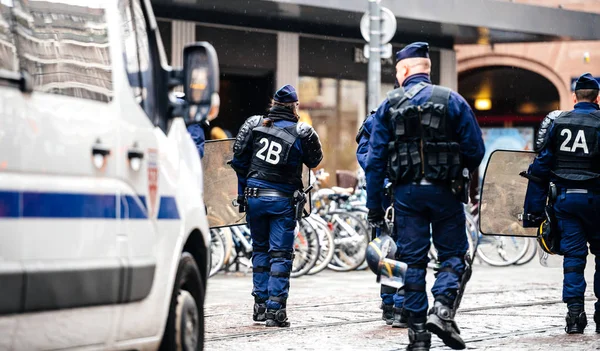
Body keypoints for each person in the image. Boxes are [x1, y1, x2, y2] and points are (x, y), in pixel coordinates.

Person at [365, 42, 485, 351]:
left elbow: (374, 161)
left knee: (411, 262)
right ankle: (443, 309)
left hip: (406, 196)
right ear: (427, 69)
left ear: (404, 70)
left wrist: (375, 208)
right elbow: (476, 151)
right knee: (454, 255)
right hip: (445, 192)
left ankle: (418, 335)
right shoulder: (452, 100)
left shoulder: (389, 105)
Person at [230, 85, 323, 327]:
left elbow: (238, 161)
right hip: (281, 200)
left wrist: (243, 192)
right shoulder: (302, 131)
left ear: (273, 104)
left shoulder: (254, 125)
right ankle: (275, 310)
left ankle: (260, 305)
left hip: (254, 198)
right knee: (280, 255)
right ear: (295, 106)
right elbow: (315, 160)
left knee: (260, 251)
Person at [522, 73, 600, 334]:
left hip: (566, 202)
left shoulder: (559, 123)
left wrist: (532, 212)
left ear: (575, 97)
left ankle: (575, 314)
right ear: (598, 98)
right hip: (598, 201)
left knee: (574, 258)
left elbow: (540, 169)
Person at [357, 106, 407, 329]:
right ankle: (400, 307)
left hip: (384, 193)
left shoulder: (376, 118)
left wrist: (382, 181)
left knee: (389, 250)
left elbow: (366, 156)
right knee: (407, 249)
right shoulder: (423, 113)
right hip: (408, 192)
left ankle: (389, 305)